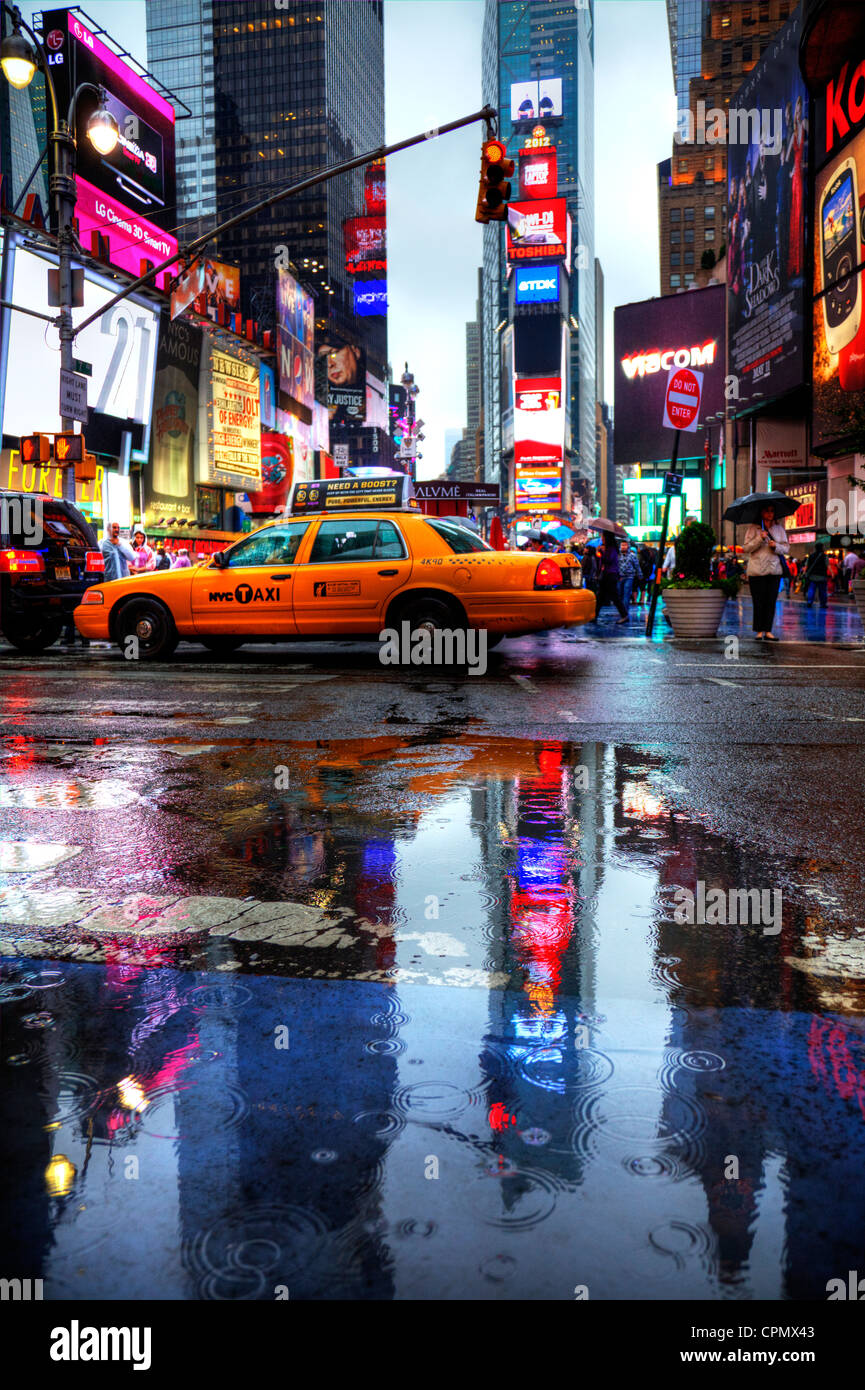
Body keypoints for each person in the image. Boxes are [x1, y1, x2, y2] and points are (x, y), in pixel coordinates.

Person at [742, 503, 789, 639]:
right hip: (757, 571)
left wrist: (776, 546)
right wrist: (759, 539)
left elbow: (786, 548)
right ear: (761, 513)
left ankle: (768, 630)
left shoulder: (779, 529)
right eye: (767, 511)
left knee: (771, 601)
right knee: (758, 601)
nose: (770, 513)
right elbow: (746, 548)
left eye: (772, 511)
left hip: (774, 570)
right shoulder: (753, 528)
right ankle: (759, 631)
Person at [595, 533, 629, 625]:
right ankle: (594, 616)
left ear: (607, 538)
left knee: (614, 597)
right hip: (606, 575)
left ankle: (624, 615)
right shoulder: (607, 549)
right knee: (600, 597)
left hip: (610, 575)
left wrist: (601, 552)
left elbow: (608, 560)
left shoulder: (612, 549)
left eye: (603, 537)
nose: (601, 538)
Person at [802, 541, 828, 609]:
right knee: (822, 591)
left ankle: (809, 602)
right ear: (822, 547)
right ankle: (823, 604)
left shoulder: (810, 556)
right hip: (822, 576)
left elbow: (806, 566)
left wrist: (804, 573)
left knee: (811, 589)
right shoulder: (824, 556)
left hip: (812, 576)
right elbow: (827, 565)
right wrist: (832, 573)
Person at [618, 540, 640, 610]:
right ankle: (621, 609)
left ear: (628, 546)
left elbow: (637, 566)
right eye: (622, 545)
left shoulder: (632, 556)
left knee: (626, 594)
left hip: (629, 577)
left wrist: (640, 574)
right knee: (619, 594)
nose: (623, 547)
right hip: (619, 577)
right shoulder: (617, 555)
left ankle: (625, 610)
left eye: (625, 545)